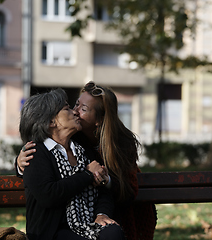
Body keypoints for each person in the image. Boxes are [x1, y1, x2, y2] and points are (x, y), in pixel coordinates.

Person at [18, 82, 157, 240]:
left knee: (112, 231)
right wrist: (20, 164)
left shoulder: (111, 144)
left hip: (118, 207)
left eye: (83, 109)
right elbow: (46, 188)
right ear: (52, 122)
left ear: (98, 120)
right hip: (55, 227)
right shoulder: (51, 145)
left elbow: (121, 190)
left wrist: (102, 210)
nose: (75, 112)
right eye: (74, 105)